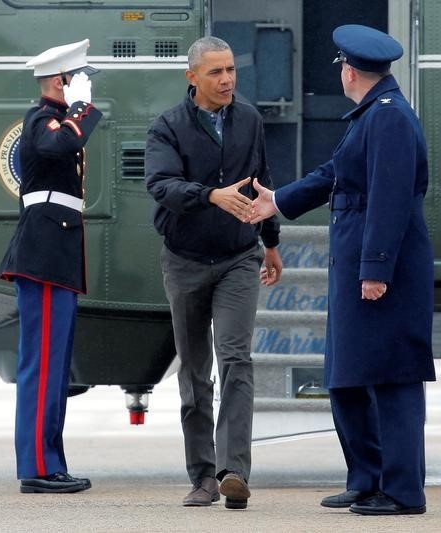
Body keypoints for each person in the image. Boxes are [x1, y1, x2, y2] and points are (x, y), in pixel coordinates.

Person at [250, 24, 434, 516]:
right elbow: (335, 173)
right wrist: (278, 201)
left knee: (392, 377)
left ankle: (401, 491)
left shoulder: (390, 118)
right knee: (348, 376)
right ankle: (366, 478)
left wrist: (375, 269)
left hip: (380, 272)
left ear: (349, 71)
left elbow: (390, 201)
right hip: (356, 267)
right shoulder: (371, 115)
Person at [144, 35, 283, 510]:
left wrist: (271, 243)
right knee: (195, 374)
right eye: (215, 73)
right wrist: (210, 195)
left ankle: (234, 473)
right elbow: (160, 185)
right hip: (184, 261)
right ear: (192, 77)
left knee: (236, 360)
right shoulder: (168, 127)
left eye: (231, 70)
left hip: (238, 258)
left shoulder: (249, 119)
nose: (226, 80)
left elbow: (264, 181)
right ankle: (202, 476)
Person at [0, 39, 102, 493]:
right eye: (79, 77)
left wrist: (78, 111)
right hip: (42, 254)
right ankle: (36, 467)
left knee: (55, 365)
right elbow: (56, 146)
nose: (86, 85)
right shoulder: (42, 119)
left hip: (55, 255)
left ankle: (50, 462)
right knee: (41, 365)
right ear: (62, 80)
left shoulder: (58, 120)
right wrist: (80, 109)